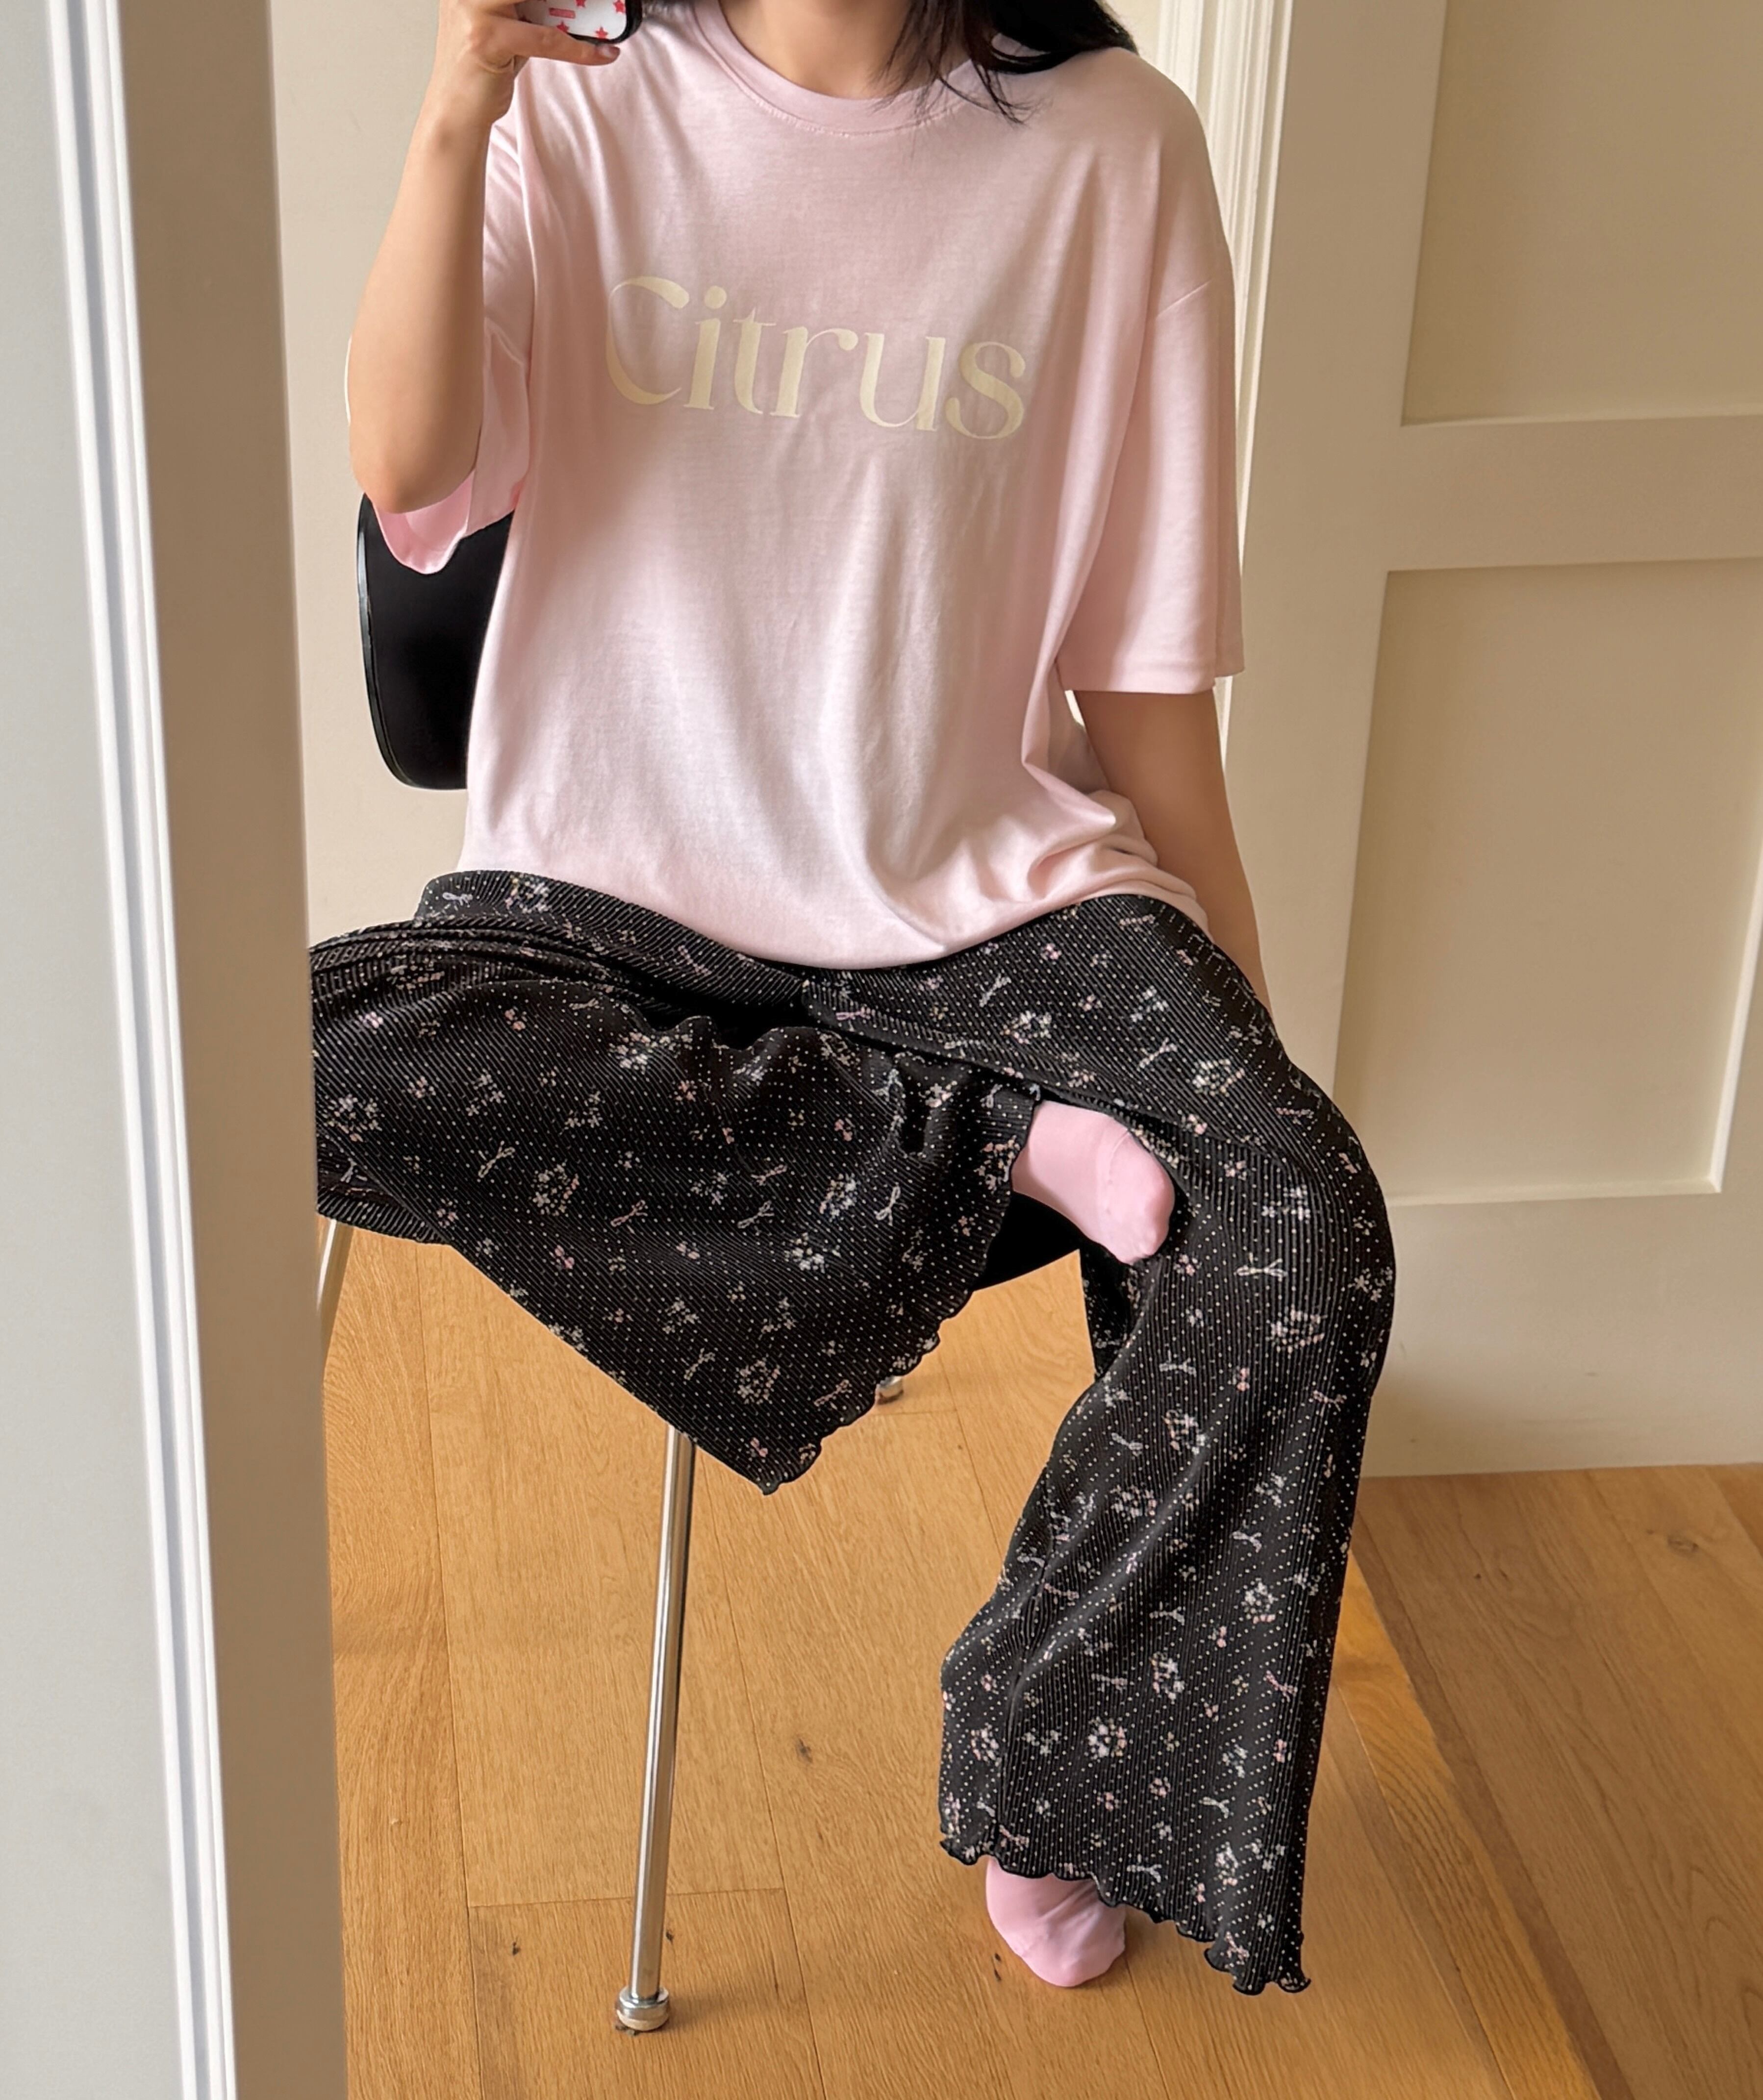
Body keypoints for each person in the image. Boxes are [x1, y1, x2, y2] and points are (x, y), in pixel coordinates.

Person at [321, 0, 1394, 1995]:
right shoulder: (580, 102)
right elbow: (410, 465)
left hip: (984, 899)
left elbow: (1143, 682)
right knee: (292, 1069)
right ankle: (987, 1135)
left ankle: (1059, 1777)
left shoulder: (1116, 148)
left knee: (1300, 1216)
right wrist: (455, 110)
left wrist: (1244, 1063)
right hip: (612, 895)